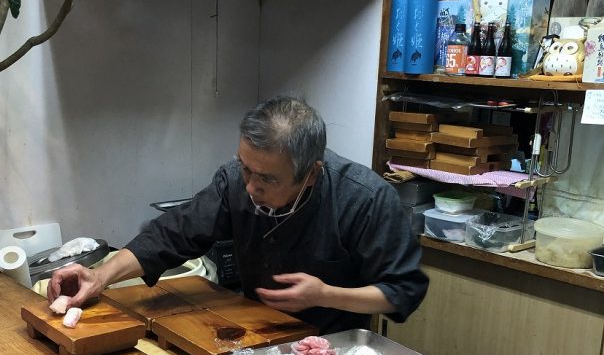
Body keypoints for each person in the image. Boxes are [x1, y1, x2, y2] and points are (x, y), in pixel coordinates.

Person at [48, 96, 428, 333]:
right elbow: (173, 233)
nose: (250, 187)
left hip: (332, 351)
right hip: (256, 334)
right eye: (246, 168)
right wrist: (100, 276)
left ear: (311, 174)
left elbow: (403, 290)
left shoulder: (364, 199)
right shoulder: (235, 181)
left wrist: (326, 295)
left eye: (267, 179)